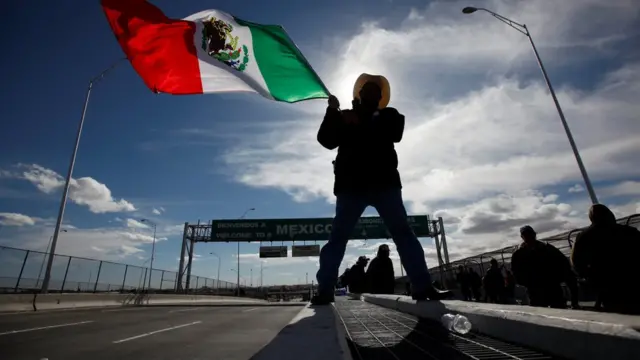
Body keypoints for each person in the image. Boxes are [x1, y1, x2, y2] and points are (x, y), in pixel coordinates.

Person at [312, 73, 452, 305]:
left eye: (376, 91)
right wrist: (332, 113)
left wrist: (360, 119)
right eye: (368, 89)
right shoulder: (344, 116)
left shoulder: (390, 115)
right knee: (338, 238)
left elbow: (395, 133)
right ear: (359, 93)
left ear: (380, 97)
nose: (372, 93)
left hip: (384, 184)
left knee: (403, 234)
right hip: (351, 186)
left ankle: (423, 286)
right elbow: (326, 140)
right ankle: (325, 289)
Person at [571, 204, 640, 314]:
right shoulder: (630, 231)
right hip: (633, 281)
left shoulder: (583, 236)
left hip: (606, 286)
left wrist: (589, 277)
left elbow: (576, 263)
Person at [512, 225, 579, 309]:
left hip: (550, 288)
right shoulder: (520, 254)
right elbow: (517, 274)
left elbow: (564, 266)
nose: (529, 237)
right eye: (526, 235)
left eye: (530, 234)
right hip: (538, 290)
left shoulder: (545, 249)